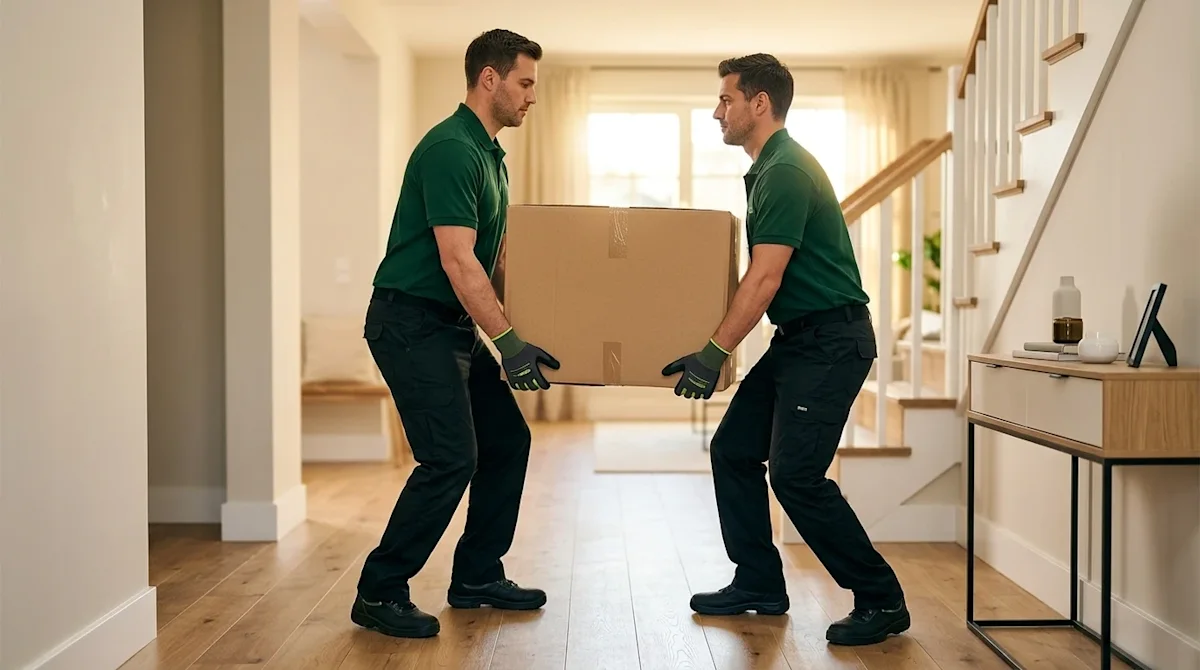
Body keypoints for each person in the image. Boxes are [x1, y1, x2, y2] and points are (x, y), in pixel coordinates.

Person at [661, 53, 910, 647]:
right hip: (799, 339)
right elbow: (762, 279)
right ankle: (759, 583)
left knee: (797, 476)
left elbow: (766, 277)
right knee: (734, 450)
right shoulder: (770, 168)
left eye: (725, 99)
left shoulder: (786, 171)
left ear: (759, 103)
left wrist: (712, 352)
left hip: (830, 341)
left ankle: (881, 598)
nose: (716, 111)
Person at [350, 28, 559, 640]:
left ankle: (475, 575)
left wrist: (524, 326)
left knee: (506, 441)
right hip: (410, 321)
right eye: (525, 83)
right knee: (450, 458)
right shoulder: (451, 149)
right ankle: (379, 590)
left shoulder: (489, 154)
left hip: (451, 325)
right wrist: (510, 344)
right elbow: (456, 259)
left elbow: (490, 260)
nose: (531, 98)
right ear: (489, 79)